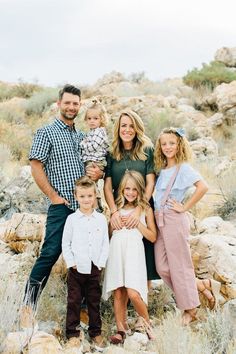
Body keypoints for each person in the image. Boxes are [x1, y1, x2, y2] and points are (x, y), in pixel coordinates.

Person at [23, 84, 103, 309]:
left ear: (80, 106)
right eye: (67, 102)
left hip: (85, 207)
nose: (71, 107)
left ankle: (85, 310)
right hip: (61, 206)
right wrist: (53, 196)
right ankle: (27, 307)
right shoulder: (46, 132)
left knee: (87, 257)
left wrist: (99, 173)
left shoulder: (83, 136)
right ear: (59, 104)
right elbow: (36, 166)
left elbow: (94, 166)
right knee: (49, 254)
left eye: (75, 103)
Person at [153, 127, 221, 325]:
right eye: (164, 144)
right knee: (162, 267)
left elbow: (203, 187)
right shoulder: (163, 169)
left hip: (174, 219)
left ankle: (190, 309)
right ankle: (201, 284)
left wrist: (184, 207)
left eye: (172, 143)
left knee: (180, 266)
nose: (167, 147)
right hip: (160, 221)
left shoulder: (183, 168)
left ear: (179, 144)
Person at [104, 109, 159, 283]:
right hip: (120, 208)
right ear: (118, 128)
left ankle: (142, 302)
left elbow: (150, 182)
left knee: (146, 257)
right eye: (123, 126)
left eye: (131, 126)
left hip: (143, 207)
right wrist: (113, 212)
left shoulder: (147, 150)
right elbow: (107, 186)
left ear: (137, 129)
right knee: (122, 254)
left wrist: (139, 210)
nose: (127, 130)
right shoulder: (112, 152)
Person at [103, 170, 157, 344]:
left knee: (133, 293)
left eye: (135, 190)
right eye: (127, 189)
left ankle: (148, 325)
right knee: (118, 291)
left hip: (134, 252)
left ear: (141, 190)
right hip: (117, 250)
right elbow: (110, 233)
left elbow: (153, 236)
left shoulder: (145, 209)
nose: (131, 193)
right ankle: (121, 329)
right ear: (122, 190)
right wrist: (113, 222)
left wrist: (138, 223)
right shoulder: (116, 208)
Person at [62, 176, 109, 351]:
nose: (86, 200)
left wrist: (101, 263)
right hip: (76, 268)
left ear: (95, 195)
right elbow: (65, 243)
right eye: (82, 196)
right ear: (76, 197)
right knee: (74, 300)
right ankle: (72, 333)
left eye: (89, 196)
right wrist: (71, 262)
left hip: (94, 267)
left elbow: (105, 242)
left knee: (93, 301)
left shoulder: (101, 219)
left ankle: (95, 332)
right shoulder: (72, 220)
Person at [80, 98, 109, 211]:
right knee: (91, 183)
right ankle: (95, 203)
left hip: (96, 162)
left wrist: (83, 144)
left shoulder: (99, 131)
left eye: (95, 118)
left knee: (88, 183)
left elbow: (93, 146)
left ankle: (97, 205)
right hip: (92, 160)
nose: (92, 121)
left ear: (101, 119)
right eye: (89, 118)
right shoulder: (92, 132)